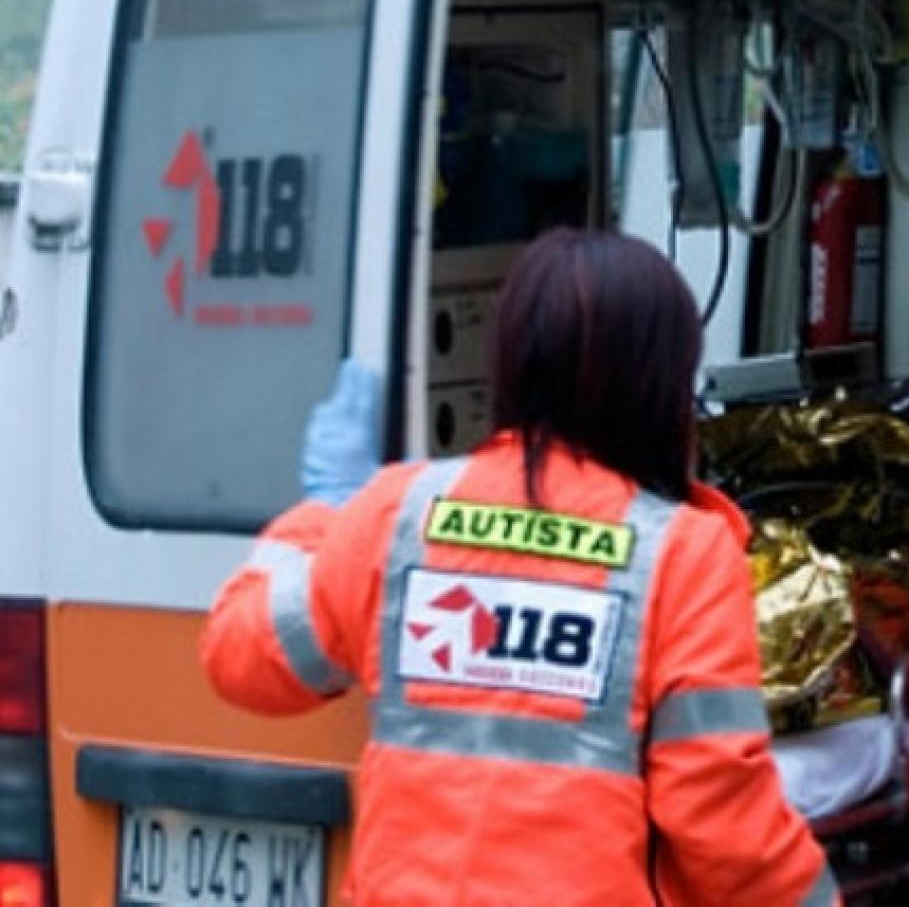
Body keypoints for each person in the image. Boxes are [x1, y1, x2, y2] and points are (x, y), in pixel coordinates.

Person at [201, 229, 838, 905]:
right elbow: (720, 819)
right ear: (661, 383)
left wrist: (326, 513)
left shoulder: (398, 514)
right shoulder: (681, 553)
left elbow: (241, 658)